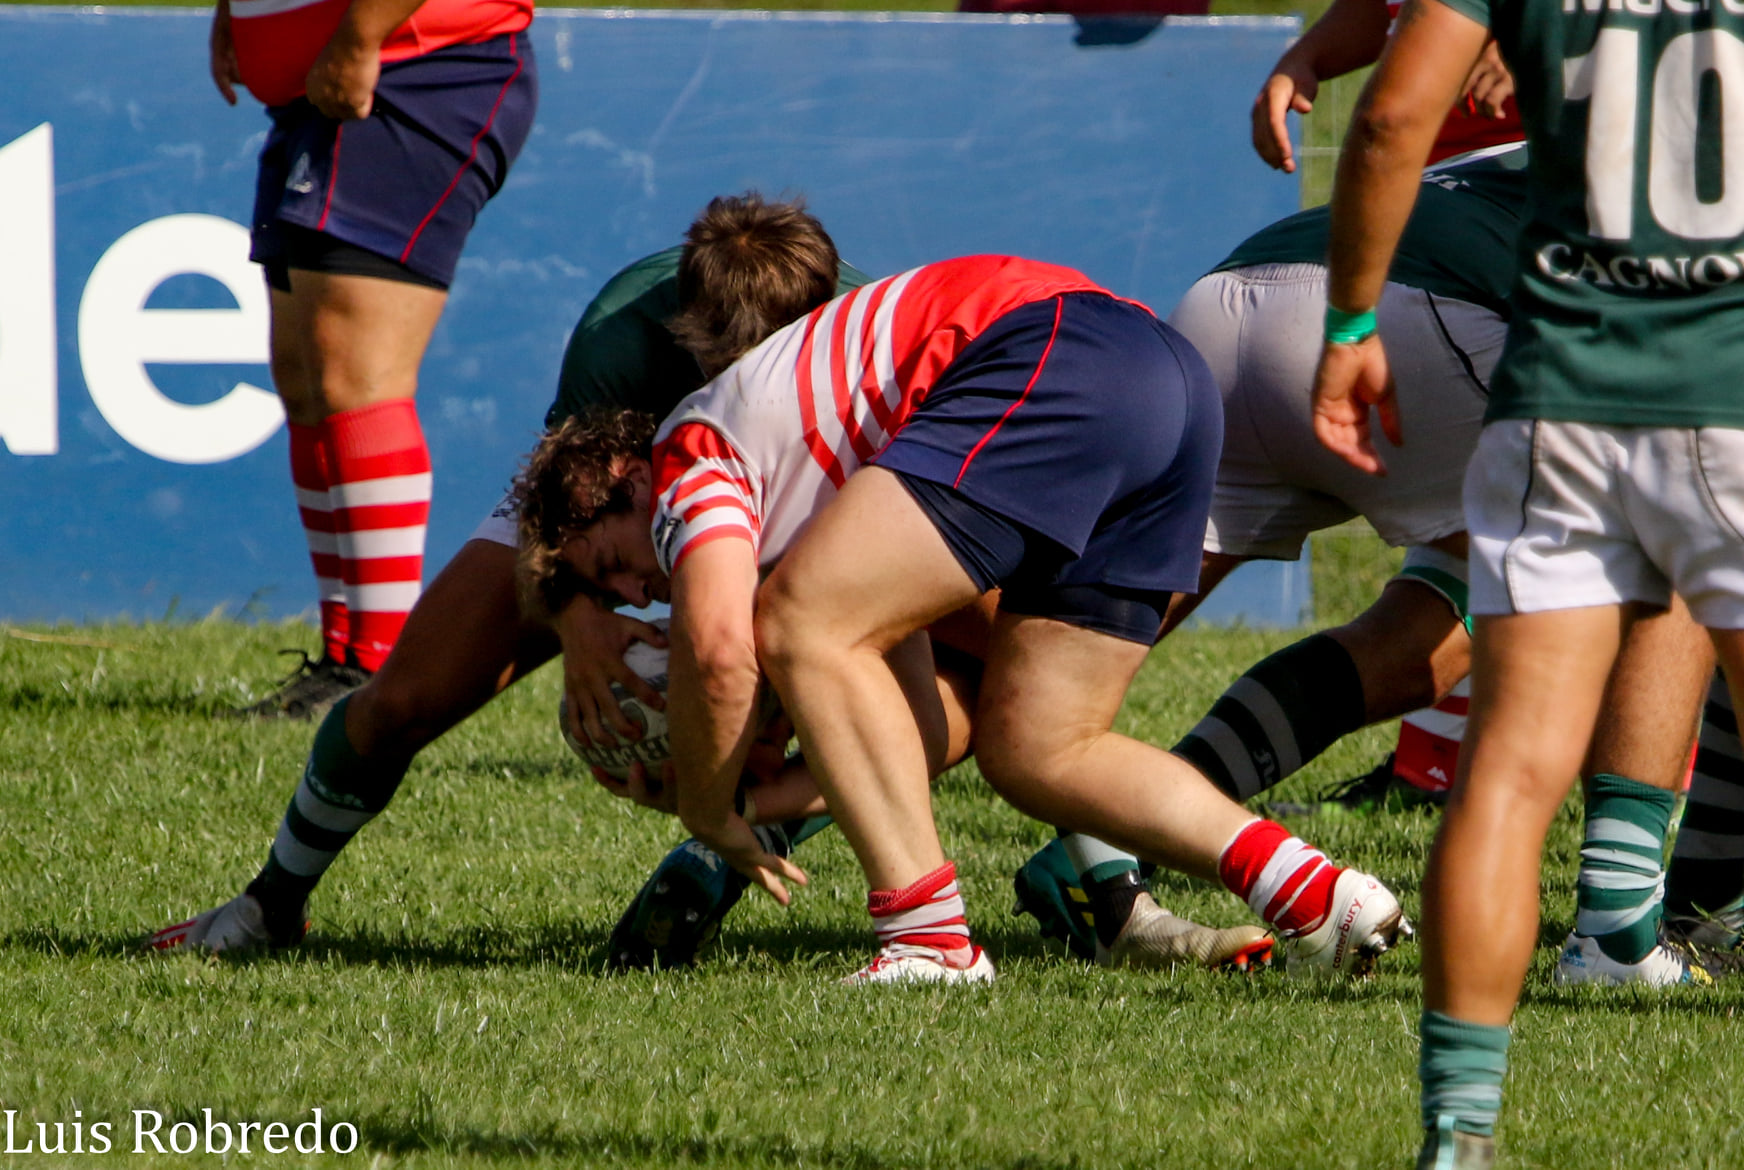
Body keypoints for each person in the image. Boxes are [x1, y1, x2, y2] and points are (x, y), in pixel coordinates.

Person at [517, 253, 1411, 984]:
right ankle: (1317, 896)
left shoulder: (688, 456)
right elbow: (904, 714)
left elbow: (721, 654)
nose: (645, 590)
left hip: (1060, 350)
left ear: (620, 484)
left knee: (801, 624)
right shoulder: (805, 495)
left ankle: (930, 943)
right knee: (1039, 748)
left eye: (615, 567)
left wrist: (707, 810)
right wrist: (760, 789)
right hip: (1164, 379)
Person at [1012, 146, 1718, 991]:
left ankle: (1098, 825)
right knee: (1677, 541)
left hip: (1234, 299)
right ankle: (1617, 934)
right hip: (1416, 319)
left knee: (1044, 665)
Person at [149, 194, 866, 953]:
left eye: (769, 367)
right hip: (615, 524)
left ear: (821, 325)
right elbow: (562, 507)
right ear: (685, 325)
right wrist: (576, 616)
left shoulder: (871, 339)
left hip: (800, 520)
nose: (746, 387)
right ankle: (270, 905)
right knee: (402, 701)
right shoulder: (621, 332)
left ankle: (751, 831)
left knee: (920, 673)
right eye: (723, 367)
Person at [1310, 0, 1744, 1160]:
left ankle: (1459, 1134)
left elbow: (1396, 114)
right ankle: (1620, 926)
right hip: (1730, 383)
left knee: (1502, 776)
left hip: (1563, 392)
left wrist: (1351, 318)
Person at [217, 0, 538, 718]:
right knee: (305, 380)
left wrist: (361, 34)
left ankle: (378, 672)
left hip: (412, 71)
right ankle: (344, 659)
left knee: (355, 376)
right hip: (321, 83)